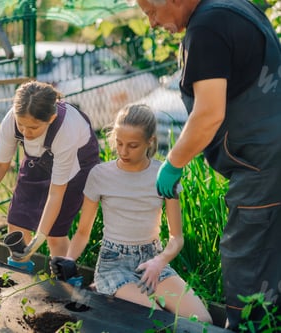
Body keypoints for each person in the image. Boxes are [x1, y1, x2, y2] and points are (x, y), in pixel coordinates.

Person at [133, 0, 281, 330]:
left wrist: (173, 163)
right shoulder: (235, 8)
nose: (153, 24)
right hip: (268, 156)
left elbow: (209, 113)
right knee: (272, 254)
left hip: (262, 162)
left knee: (248, 255)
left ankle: (246, 329)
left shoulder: (207, 26)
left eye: (151, 12)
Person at [51, 104, 212, 323]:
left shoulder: (163, 176)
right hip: (113, 264)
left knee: (202, 322)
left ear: (150, 141)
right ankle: (105, 286)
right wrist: (69, 260)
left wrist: (159, 262)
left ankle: (104, 292)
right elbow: (82, 232)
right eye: (119, 144)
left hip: (152, 261)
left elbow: (177, 238)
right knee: (159, 321)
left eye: (133, 146)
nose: (124, 151)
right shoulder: (100, 174)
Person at [0, 81, 100, 259]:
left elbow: (56, 194)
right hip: (37, 162)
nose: (25, 132)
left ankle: (63, 277)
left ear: (51, 118)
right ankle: (20, 271)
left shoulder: (66, 130)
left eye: (33, 127)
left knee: (54, 234)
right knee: (17, 223)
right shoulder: (11, 120)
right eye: (21, 124)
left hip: (76, 167)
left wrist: (41, 235)